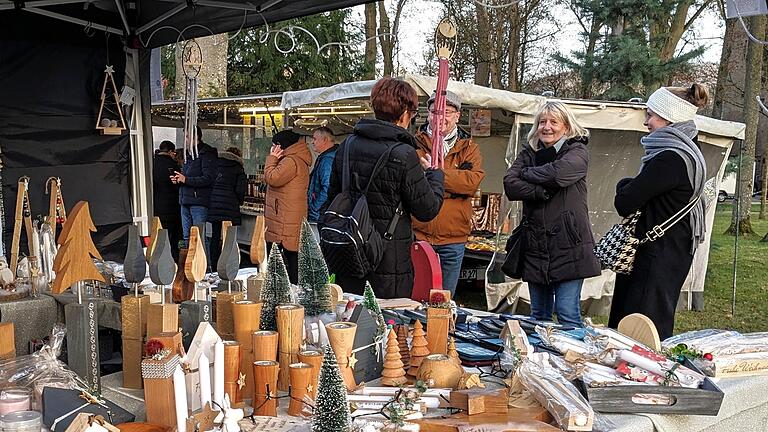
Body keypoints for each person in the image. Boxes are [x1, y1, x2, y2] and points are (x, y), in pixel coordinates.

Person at [325, 77, 445, 298]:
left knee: (352, 319)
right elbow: (427, 209)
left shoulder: (348, 145)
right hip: (389, 260)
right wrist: (435, 176)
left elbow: (333, 196)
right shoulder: (403, 154)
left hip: (350, 248)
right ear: (405, 113)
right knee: (388, 325)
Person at [608, 84, 709, 340]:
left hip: (654, 256)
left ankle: (639, 377)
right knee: (654, 322)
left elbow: (625, 202)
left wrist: (623, 183)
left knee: (640, 327)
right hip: (672, 250)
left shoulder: (669, 158)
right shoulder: (691, 153)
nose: (646, 122)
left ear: (669, 118)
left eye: (651, 115)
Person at [503, 101, 600, 328]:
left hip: (569, 244)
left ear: (566, 127)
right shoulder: (529, 152)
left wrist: (526, 173)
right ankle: (541, 360)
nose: (547, 127)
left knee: (567, 313)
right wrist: (540, 191)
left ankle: (576, 359)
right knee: (539, 316)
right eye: (542, 122)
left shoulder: (578, 151)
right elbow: (510, 185)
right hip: (535, 245)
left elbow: (559, 174)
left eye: (553, 122)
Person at [412, 91, 485, 295]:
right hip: (420, 234)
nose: (440, 117)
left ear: (457, 116)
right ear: (428, 115)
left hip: (453, 238)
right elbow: (415, 184)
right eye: (435, 112)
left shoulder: (469, 148)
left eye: (446, 111)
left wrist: (435, 174)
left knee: (443, 302)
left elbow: (471, 184)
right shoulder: (414, 144)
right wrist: (453, 186)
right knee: (416, 297)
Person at [264, 129, 312, 284]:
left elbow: (272, 178)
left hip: (283, 217)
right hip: (289, 214)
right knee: (293, 255)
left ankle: (284, 288)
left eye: (274, 145)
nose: (272, 149)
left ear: (280, 146)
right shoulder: (298, 159)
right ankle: (293, 288)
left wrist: (271, 159)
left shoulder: (290, 161)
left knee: (279, 257)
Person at [171, 125, 218, 252]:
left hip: (198, 201)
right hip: (185, 199)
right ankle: (189, 266)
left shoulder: (206, 154)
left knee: (199, 237)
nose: (185, 140)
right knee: (187, 237)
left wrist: (185, 180)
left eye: (187, 137)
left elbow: (208, 178)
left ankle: (205, 268)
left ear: (196, 137)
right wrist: (180, 180)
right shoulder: (188, 155)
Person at [208, 146, 247, 269]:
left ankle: (214, 265)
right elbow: (240, 190)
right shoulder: (238, 169)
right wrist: (239, 202)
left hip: (214, 205)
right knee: (229, 237)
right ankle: (228, 265)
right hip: (230, 206)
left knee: (215, 237)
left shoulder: (214, 165)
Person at [152, 141, 182, 261]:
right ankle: (172, 260)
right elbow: (177, 186)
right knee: (173, 237)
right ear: (170, 152)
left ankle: (159, 259)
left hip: (156, 206)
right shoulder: (173, 166)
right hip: (172, 207)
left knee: (160, 235)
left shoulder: (151, 163)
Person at [307, 126, 338, 240]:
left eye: (315, 139)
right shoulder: (329, 157)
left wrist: (314, 207)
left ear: (324, 140)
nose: (312, 142)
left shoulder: (327, 160)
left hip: (320, 214)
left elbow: (327, 187)